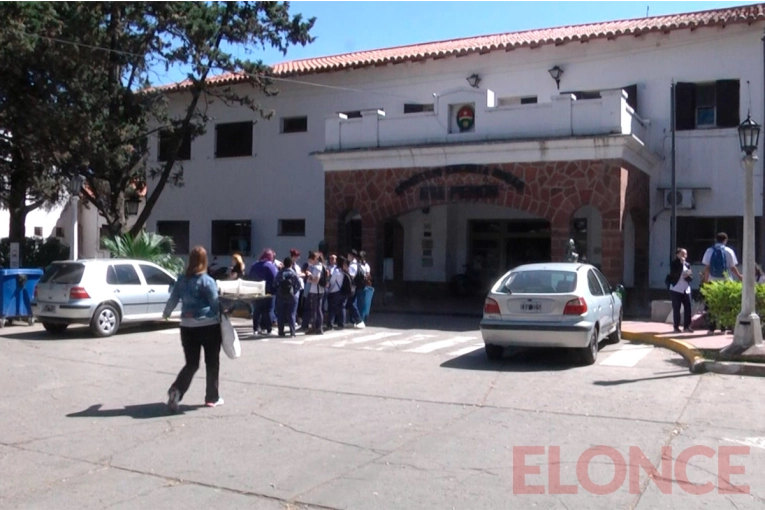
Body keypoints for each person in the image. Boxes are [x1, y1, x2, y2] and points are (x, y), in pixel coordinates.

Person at [163, 246, 224, 412]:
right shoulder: (207, 281)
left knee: (191, 363)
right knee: (212, 362)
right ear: (205, 261)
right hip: (208, 326)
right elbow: (214, 303)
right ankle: (212, 398)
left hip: (187, 327)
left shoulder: (181, 280)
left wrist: (167, 313)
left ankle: (177, 389)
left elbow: (173, 298)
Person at [702, 232, 742, 333]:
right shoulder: (729, 251)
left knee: (711, 305)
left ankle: (711, 328)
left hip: (712, 281)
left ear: (716, 239)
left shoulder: (709, 250)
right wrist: (739, 276)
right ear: (725, 240)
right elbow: (732, 267)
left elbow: (707, 268)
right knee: (725, 304)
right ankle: (723, 328)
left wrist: (706, 282)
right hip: (726, 281)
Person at [248, 248, 278, 335]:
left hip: (255, 291)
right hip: (268, 291)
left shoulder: (254, 265)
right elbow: (275, 278)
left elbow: (250, 277)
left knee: (257, 311)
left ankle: (256, 329)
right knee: (268, 310)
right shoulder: (270, 266)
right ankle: (269, 329)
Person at [274, 256, 301, 337]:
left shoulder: (280, 273)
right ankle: (292, 332)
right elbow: (299, 285)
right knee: (291, 314)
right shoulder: (293, 273)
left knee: (281, 314)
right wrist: (294, 292)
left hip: (281, 296)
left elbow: (275, 284)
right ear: (291, 264)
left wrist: (279, 291)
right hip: (292, 297)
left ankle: (281, 331)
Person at [668, 247, 693, 334]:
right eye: (682, 254)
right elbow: (674, 274)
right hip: (676, 288)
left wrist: (688, 276)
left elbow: (690, 277)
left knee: (688, 308)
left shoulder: (688, 264)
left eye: (685, 254)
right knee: (676, 308)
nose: (684, 256)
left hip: (686, 289)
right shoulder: (674, 263)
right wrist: (681, 264)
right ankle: (676, 326)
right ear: (678, 255)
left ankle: (687, 326)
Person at [326, 256, 350, 329]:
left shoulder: (337, 271)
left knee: (332, 308)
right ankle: (341, 324)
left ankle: (330, 324)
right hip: (344, 291)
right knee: (342, 308)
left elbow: (332, 281)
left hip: (335, 291)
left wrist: (329, 289)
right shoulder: (346, 271)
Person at [305, 251, 326, 334]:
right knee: (318, 309)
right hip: (319, 290)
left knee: (315, 310)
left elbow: (316, 280)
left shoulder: (317, 268)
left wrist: (309, 278)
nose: (310, 262)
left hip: (315, 291)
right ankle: (318, 327)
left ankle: (315, 327)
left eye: (311, 260)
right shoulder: (320, 266)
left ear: (314, 259)